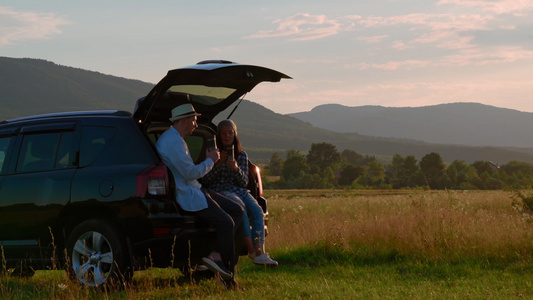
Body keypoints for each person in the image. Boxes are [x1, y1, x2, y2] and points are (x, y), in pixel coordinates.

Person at [156, 104, 244, 289]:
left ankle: (215, 255)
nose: (196, 124)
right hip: (188, 194)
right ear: (184, 120)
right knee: (226, 223)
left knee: (237, 209)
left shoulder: (175, 139)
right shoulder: (173, 142)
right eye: (194, 120)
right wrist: (211, 160)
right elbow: (189, 173)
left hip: (196, 189)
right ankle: (229, 280)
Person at [202, 119, 278, 267]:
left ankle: (260, 251)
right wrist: (216, 165)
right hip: (221, 191)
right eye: (223, 133)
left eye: (230, 132)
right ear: (219, 136)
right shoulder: (213, 154)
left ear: (235, 134)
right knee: (240, 209)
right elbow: (206, 181)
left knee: (257, 210)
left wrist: (236, 169)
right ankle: (251, 250)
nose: (227, 136)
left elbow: (244, 182)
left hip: (240, 190)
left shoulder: (241, 155)